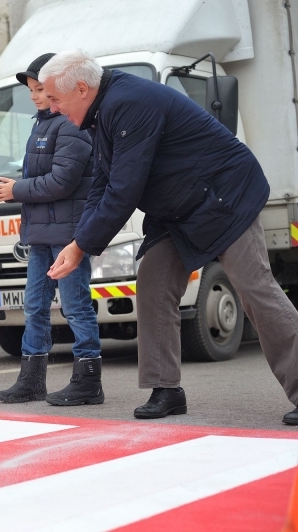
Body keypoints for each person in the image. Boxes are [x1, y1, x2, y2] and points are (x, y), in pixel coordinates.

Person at [41, 49, 298, 423]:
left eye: (53, 98)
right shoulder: (100, 111)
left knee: (255, 290)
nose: (51, 108)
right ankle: (166, 390)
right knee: (154, 284)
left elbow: (125, 189)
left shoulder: (128, 102)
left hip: (224, 197)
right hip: (177, 208)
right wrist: (81, 239)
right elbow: (103, 180)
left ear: (81, 88)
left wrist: (82, 247)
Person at [0, 53, 103, 406]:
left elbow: (62, 181)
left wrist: (13, 190)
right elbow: (42, 180)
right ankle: (32, 381)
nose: (34, 95)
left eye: (39, 88)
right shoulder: (41, 125)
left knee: (76, 307)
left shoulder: (71, 125)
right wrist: (17, 189)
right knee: (34, 307)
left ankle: (89, 381)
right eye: (31, 89)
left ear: (56, 89)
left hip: (68, 236)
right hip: (42, 234)